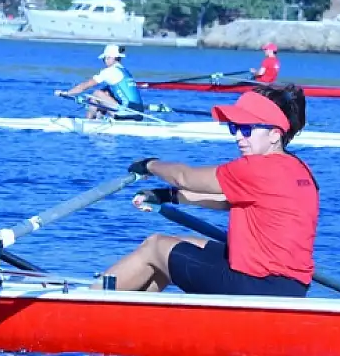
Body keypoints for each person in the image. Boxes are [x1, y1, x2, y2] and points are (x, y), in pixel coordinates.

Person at [102, 84, 317, 297]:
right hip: (291, 287)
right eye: (234, 128)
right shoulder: (299, 168)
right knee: (182, 244)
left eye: (246, 129)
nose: (238, 137)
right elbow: (226, 201)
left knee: (155, 246)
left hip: (255, 286)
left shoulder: (258, 168)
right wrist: (168, 196)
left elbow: (184, 177)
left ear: (274, 134)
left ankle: (91, 300)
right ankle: (136, 314)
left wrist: (149, 164)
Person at [60, 44, 145, 119]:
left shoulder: (109, 71)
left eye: (104, 58)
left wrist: (67, 93)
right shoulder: (124, 71)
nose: (104, 61)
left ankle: (88, 123)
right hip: (139, 112)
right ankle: (96, 120)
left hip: (127, 112)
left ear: (110, 58)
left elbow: (85, 86)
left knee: (96, 94)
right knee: (105, 92)